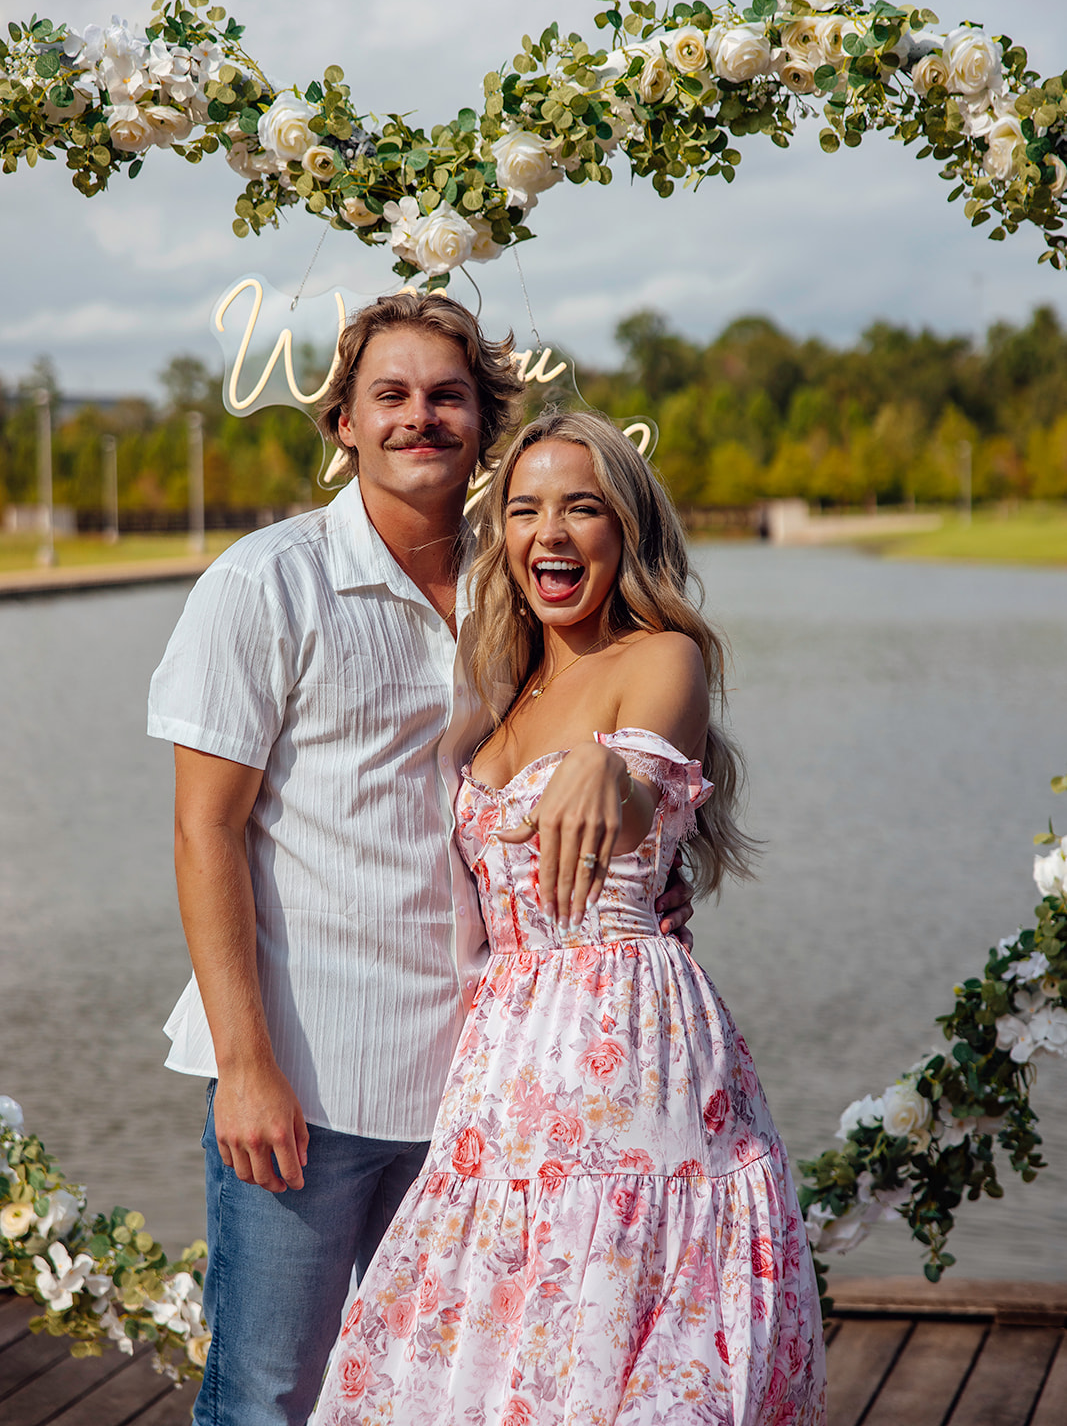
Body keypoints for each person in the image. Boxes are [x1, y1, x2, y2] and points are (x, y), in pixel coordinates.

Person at [147, 293, 694, 1426]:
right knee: (267, 1393)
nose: (419, 417)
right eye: (388, 395)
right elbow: (205, 830)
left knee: (431, 1394)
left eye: (447, 396)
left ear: (483, 421)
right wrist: (244, 1066)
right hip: (308, 1075)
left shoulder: (515, 595)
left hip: (483, 1090)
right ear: (340, 420)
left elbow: (625, 722)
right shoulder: (265, 584)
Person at [312, 410, 827, 1425]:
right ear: (500, 533)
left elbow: (646, 779)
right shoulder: (498, 692)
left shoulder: (661, 655)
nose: (549, 531)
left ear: (624, 528)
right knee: (496, 1357)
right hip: (500, 1063)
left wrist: (608, 767)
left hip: (625, 1049)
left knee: (622, 1344)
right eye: (524, 507)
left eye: (580, 506)